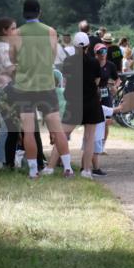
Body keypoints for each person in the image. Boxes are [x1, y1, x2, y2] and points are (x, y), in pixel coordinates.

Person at [9, 0, 72, 178]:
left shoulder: (16, 33)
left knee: (28, 131)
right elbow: (52, 56)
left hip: (24, 87)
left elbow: (12, 58)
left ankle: (33, 171)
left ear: (23, 13)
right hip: (46, 85)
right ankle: (67, 168)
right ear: (39, 12)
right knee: (57, 128)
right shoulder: (51, 32)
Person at [53, 32, 102, 178]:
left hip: (74, 102)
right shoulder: (94, 62)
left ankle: (50, 166)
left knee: (62, 134)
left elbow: (66, 82)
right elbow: (97, 83)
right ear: (88, 46)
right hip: (91, 103)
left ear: (74, 46)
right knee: (89, 138)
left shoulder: (69, 61)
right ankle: (86, 170)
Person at [0, 18, 19, 167]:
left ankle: (3, 159)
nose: (16, 31)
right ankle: (4, 160)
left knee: (7, 127)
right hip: (4, 89)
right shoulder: (3, 47)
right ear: (4, 30)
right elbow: (11, 69)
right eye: (13, 28)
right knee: (10, 127)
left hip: (0, 89)